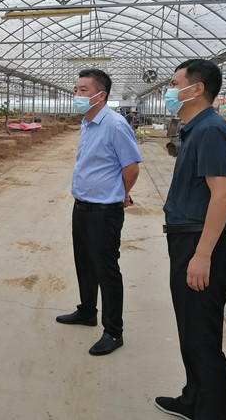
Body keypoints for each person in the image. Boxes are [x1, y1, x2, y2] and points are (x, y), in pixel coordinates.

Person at [155, 59, 226, 420]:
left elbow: (223, 196)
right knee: (192, 334)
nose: (169, 91)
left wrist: (202, 254)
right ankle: (194, 400)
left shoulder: (210, 131)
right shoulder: (197, 129)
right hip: (188, 240)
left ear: (197, 89)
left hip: (201, 244)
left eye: (175, 84)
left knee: (203, 342)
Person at [56, 68, 141, 356]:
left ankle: (113, 332)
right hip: (82, 206)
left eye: (83, 90)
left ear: (100, 95)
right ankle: (87, 311)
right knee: (84, 263)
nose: (77, 95)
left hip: (104, 211)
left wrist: (122, 194)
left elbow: (131, 167)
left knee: (106, 269)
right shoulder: (87, 123)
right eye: (76, 90)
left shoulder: (115, 124)